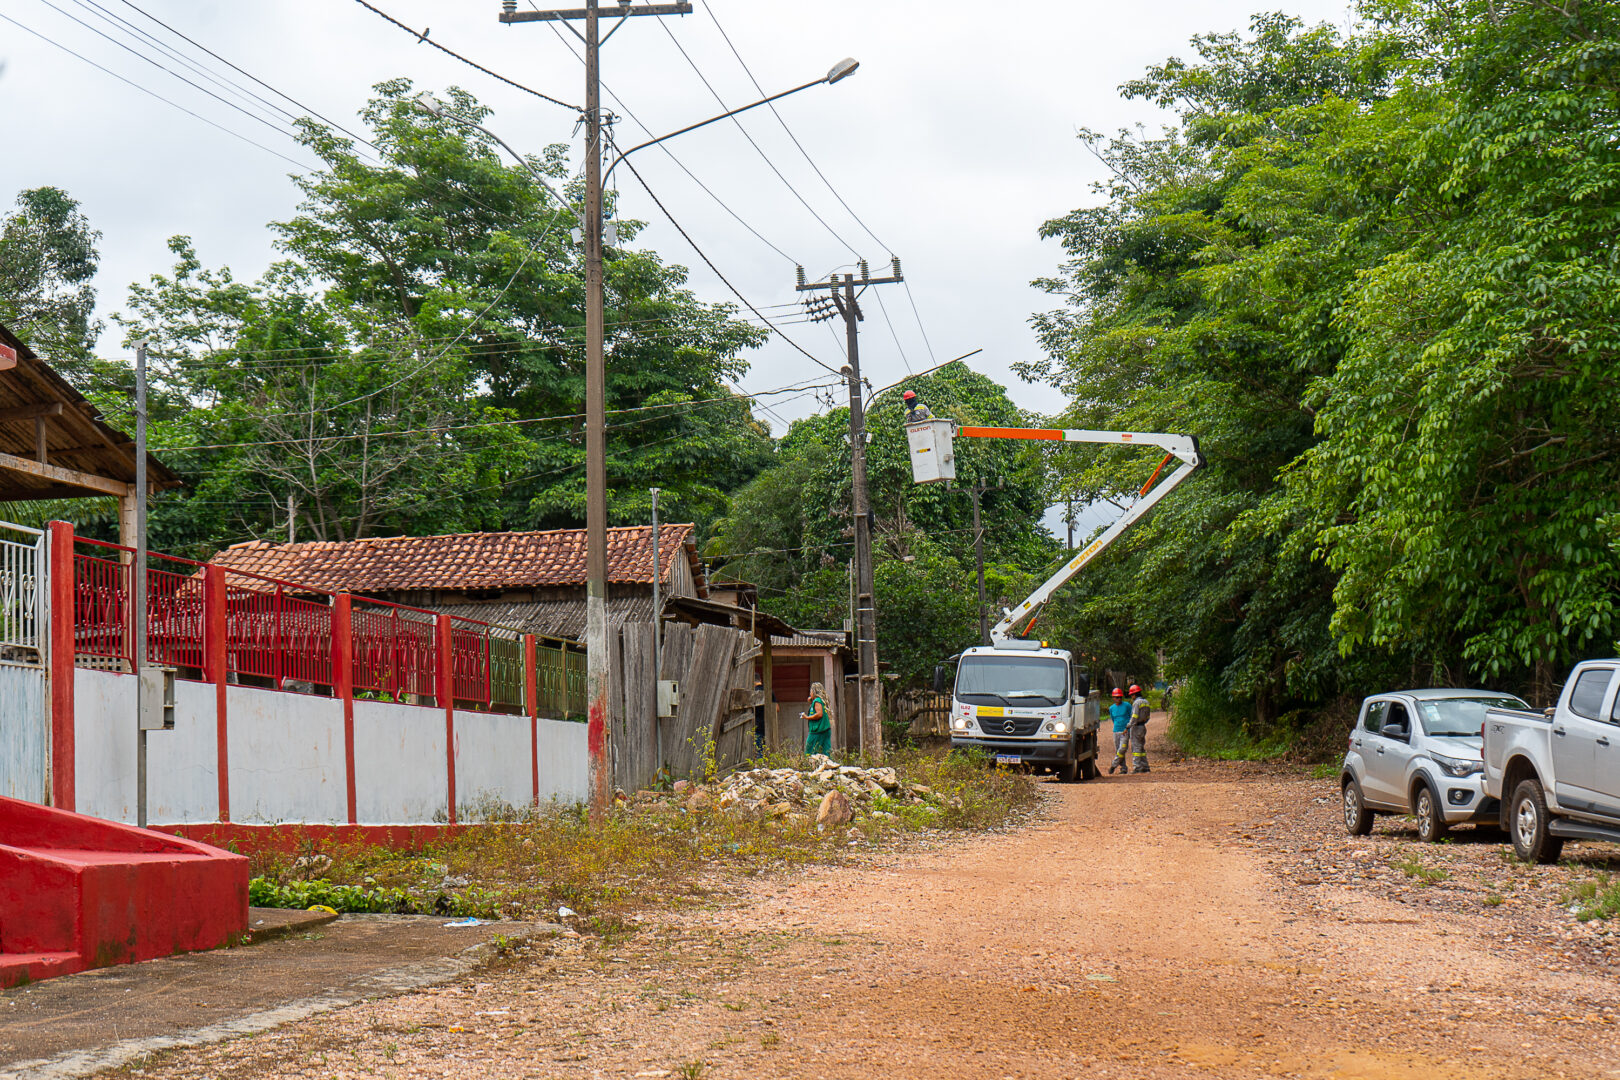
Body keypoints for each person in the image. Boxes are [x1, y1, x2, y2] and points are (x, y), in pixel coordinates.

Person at [802, 681, 832, 757]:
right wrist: (811, 702)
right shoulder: (819, 701)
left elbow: (819, 714)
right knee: (825, 750)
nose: (810, 693)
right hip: (824, 729)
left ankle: (808, 765)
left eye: (811, 691)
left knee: (810, 749)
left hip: (818, 730)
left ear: (814, 692)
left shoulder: (817, 701)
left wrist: (807, 717)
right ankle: (828, 765)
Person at [1129, 683, 1152, 774]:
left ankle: (1137, 767)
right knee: (1141, 747)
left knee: (1136, 748)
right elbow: (1148, 716)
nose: (1131, 697)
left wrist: (1129, 725)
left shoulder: (1136, 703)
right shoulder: (1146, 702)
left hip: (1136, 727)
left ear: (1134, 694)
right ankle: (1145, 766)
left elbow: (1134, 716)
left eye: (1131, 695)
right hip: (1143, 726)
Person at [1107, 687, 1131, 774]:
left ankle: (1113, 765)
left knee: (1122, 749)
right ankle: (1123, 768)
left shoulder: (1127, 706)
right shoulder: (1111, 708)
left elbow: (1131, 717)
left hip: (1125, 731)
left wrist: (1127, 728)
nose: (1119, 699)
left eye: (1120, 697)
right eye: (1117, 697)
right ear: (1113, 698)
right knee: (1119, 751)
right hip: (1116, 731)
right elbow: (1113, 719)